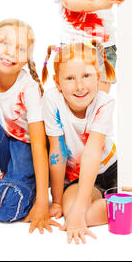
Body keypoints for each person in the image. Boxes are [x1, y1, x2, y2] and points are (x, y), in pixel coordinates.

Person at [0, 18, 60, 233]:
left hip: (25, 152)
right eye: (4, 43)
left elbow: (38, 146)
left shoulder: (29, 88)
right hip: (2, 147)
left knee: (3, 209)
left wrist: (43, 200)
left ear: (27, 58)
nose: (10, 52)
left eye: (20, 48)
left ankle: (29, 186)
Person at [42, 42, 117, 244]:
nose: (80, 86)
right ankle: (113, 199)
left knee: (81, 214)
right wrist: (57, 201)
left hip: (108, 170)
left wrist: (81, 208)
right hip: (75, 177)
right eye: (70, 78)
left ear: (98, 77)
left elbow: (93, 151)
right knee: (70, 211)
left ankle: (115, 195)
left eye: (86, 76)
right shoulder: (52, 100)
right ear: (58, 83)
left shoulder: (104, 102)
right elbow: (57, 151)